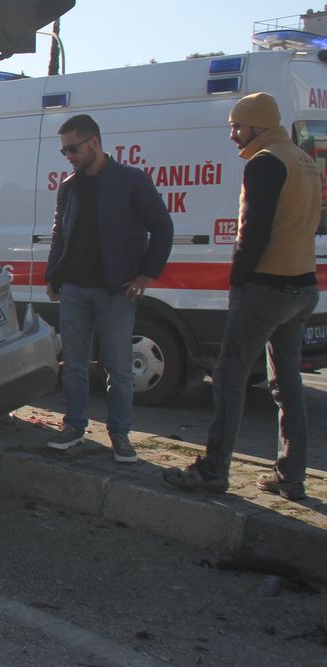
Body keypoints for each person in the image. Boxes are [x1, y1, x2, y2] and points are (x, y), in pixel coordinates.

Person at [163, 93, 322, 500]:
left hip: (267, 287)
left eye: (237, 126)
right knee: (286, 383)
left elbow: (254, 229)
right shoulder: (303, 160)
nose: (233, 134)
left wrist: (238, 280)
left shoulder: (265, 162)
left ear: (258, 125)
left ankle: (214, 470)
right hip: (303, 285)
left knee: (229, 376)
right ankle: (291, 476)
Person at [44, 113, 174, 463]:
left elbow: (162, 228)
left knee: (118, 369)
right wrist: (53, 275)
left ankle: (120, 434)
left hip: (115, 291)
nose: (68, 156)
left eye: (73, 148)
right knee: (73, 365)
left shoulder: (130, 181)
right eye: (64, 150)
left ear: (94, 143)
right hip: (74, 288)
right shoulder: (70, 186)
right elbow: (60, 232)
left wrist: (146, 275)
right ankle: (74, 427)